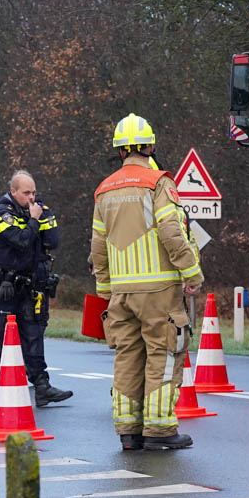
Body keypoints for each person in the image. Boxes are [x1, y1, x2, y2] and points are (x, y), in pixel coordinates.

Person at [90, 114, 203, 451]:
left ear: (120, 151)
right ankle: (159, 430)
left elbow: (98, 247)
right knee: (164, 354)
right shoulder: (159, 183)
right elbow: (172, 232)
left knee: (127, 357)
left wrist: (104, 288)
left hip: (121, 294)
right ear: (150, 147)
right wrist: (192, 273)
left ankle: (128, 431)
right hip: (159, 291)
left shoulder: (104, 190)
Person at [0, 171, 73, 410]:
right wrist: (34, 220)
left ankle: (42, 387)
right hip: (4, 285)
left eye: (33, 192)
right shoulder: (1, 213)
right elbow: (21, 240)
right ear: (13, 192)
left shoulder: (35, 210)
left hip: (29, 284)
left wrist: (46, 217)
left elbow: (52, 241)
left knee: (34, 334)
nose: (32, 197)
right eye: (26, 193)